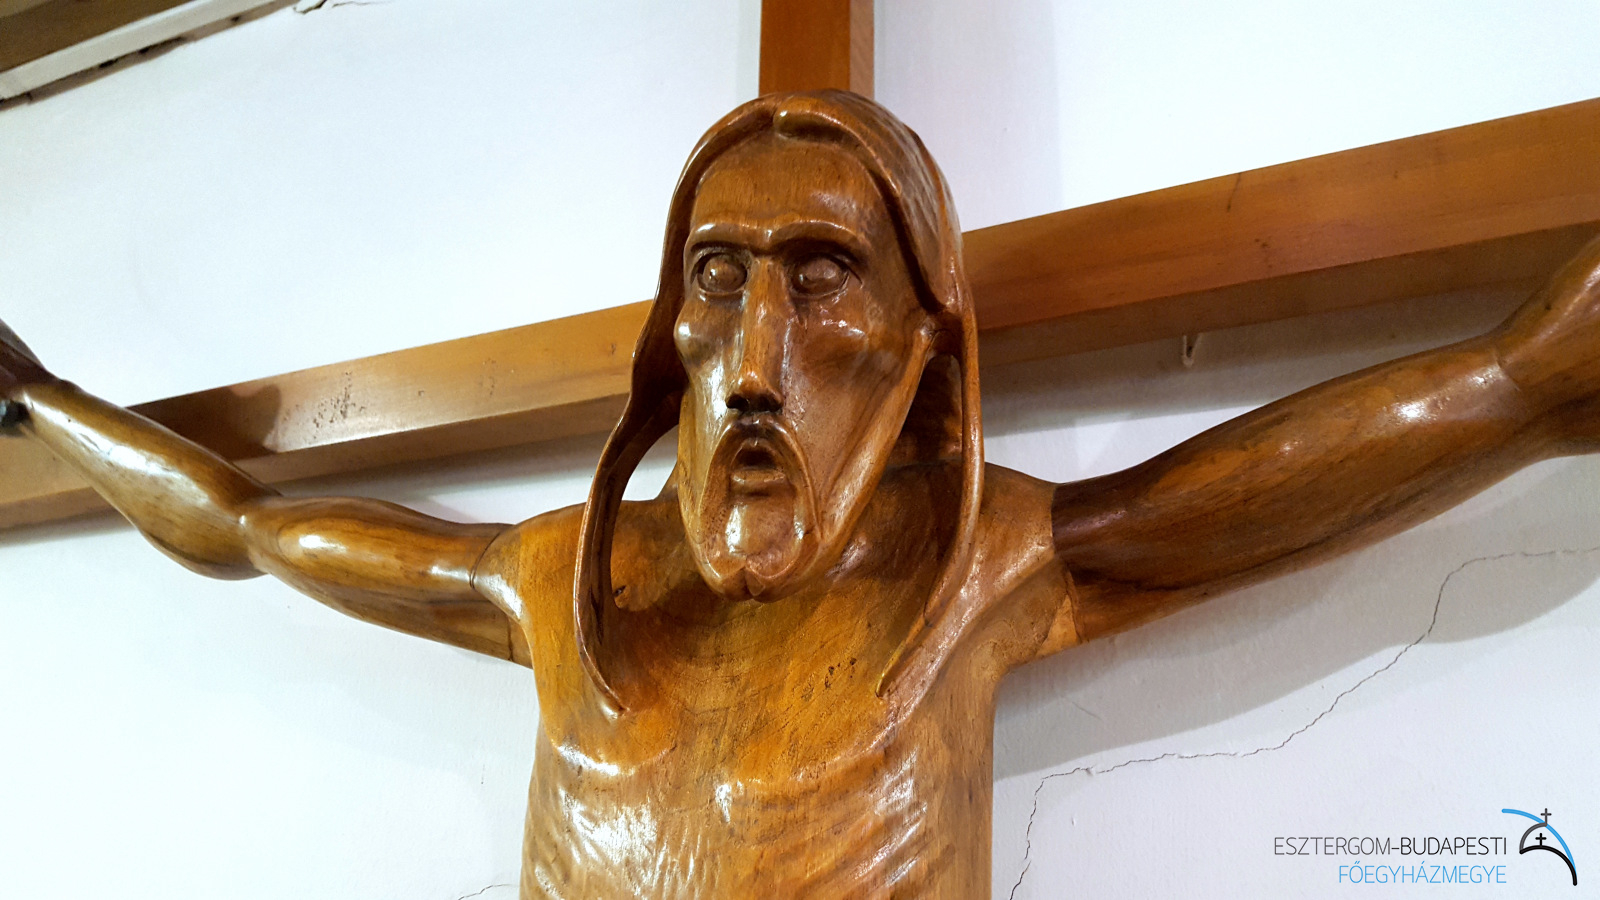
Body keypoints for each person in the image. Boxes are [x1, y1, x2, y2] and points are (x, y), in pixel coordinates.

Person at [3, 91, 1598, 899]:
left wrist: (1540, 371)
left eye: (823, 276)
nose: (756, 362)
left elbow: (1349, 455)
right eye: (718, 280)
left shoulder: (985, 566)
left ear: (923, 341)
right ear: (669, 338)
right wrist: (45, 403)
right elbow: (245, 529)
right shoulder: (560, 583)